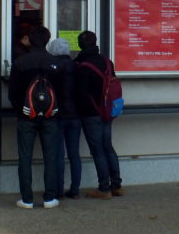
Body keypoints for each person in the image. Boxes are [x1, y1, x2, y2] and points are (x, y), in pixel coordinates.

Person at [8, 25, 61, 209]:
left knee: (25, 157)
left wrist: (21, 109)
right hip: (50, 117)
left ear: (29, 40)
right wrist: (55, 109)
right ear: (47, 40)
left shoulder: (21, 62)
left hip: (26, 117)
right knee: (51, 156)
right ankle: (49, 198)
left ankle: (27, 199)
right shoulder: (56, 63)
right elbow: (62, 91)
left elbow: (13, 92)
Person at [75, 30, 123, 199]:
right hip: (107, 112)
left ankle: (104, 188)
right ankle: (117, 185)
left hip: (91, 113)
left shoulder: (83, 66)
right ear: (95, 43)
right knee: (108, 146)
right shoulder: (107, 62)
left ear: (80, 45)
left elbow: (80, 93)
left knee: (97, 150)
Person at [47, 37, 82, 199]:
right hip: (75, 114)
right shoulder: (78, 67)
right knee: (74, 153)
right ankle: (75, 188)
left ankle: (58, 189)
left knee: (58, 154)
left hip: (58, 114)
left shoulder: (52, 68)